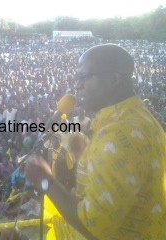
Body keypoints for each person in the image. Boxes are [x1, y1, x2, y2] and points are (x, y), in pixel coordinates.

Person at [25, 44, 166, 239]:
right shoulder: (136, 118)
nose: (77, 86)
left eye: (84, 77)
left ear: (114, 79)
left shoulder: (118, 133)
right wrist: (85, 153)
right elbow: (123, 177)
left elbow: (94, 226)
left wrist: (45, 181)